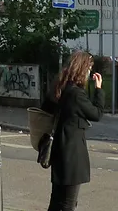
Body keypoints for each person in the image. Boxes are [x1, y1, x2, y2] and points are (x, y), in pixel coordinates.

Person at [41, 50, 104, 211]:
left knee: (56, 200)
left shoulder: (60, 87)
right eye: (88, 68)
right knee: (68, 203)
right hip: (72, 152)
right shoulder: (76, 94)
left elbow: (45, 108)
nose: (89, 72)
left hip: (58, 149)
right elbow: (96, 114)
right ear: (82, 69)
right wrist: (98, 89)